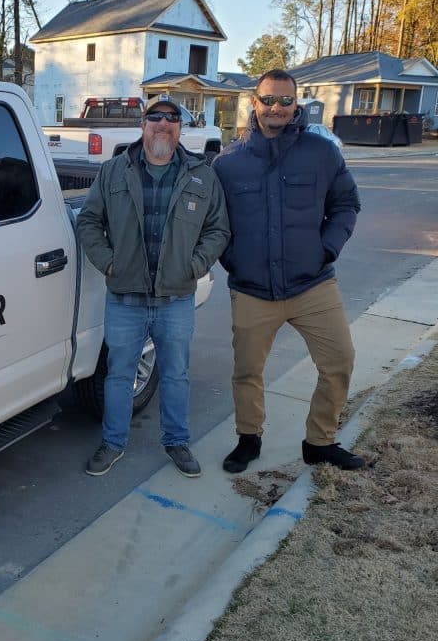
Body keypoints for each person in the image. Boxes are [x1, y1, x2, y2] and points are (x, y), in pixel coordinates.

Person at [214, 69, 363, 473]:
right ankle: (249, 438)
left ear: (296, 103)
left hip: (312, 285)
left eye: (285, 100)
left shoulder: (322, 152)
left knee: (339, 361)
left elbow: (347, 204)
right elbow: (215, 223)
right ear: (254, 103)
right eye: (268, 100)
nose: (276, 108)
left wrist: (327, 248)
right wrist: (233, 259)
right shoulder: (228, 163)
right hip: (251, 290)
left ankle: (320, 440)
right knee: (247, 371)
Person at [76, 95, 230, 477]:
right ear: (143, 126)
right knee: (118, 374)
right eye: (155, 117)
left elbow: (218, 230)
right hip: (125, 298)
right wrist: (109, 262)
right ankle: (113, 443)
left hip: (175, 298)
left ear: (180, 128)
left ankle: (177, 442)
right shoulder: (114, 171)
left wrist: (193, 266)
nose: (164, 123)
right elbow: (89, 222)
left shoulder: (201, 175)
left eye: (172, 118)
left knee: (176, 373)